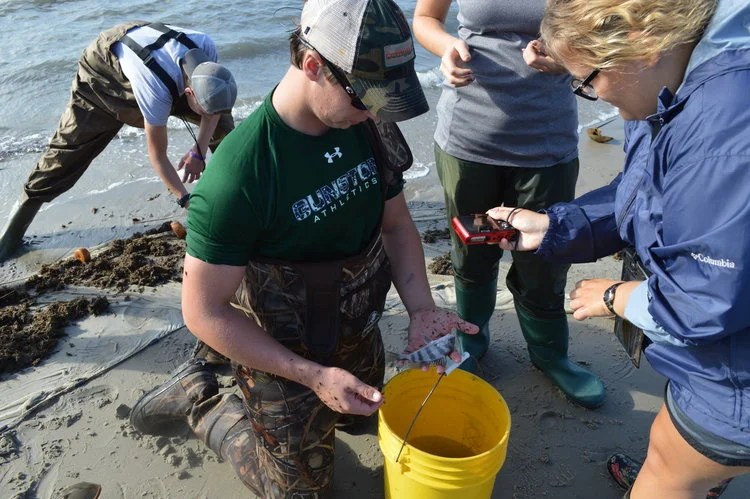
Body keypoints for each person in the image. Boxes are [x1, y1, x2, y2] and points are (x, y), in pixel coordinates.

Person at [129, 0, 478, 497]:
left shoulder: (369, 120)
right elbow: (203, 311)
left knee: (362, 421)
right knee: (301, 493)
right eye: (366, 98)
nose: (375, 113)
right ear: (313, 65)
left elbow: (397, 227)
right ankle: (201, 400)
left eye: (383, 99)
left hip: (357, 325)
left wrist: (422, 309)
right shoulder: (239, 176)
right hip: (283, 354)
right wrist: (312, 377)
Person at [488, 0, 750, 497]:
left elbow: (704, 300)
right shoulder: (672, 79)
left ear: (640, 47)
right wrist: (556, 225)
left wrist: (617, 297)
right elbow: (654, 191)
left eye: (587, 81)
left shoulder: (724, 128)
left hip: (736, 379)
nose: (592, 98)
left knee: (672, 466)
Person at [411, 0, 605, 408]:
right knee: (471, 250)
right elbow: (426, 19)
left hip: (547, 144)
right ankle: (472, 338)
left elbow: (609, 33)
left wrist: (570, 57)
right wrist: (447, 48)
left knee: (546, 257)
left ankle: (550, 354)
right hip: (467, 138)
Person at [0, 22, 237, 261]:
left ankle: (238, 200)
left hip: (151, 63)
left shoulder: (207, 51)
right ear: (188, 95)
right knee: (66, 155)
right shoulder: (154, 88)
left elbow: (214, 113)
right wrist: (187, 202)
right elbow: (158, 157)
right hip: (104, 73)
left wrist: (198, 151)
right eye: (203, 109)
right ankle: (10, 236)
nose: (209, 115)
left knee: (226, 131)